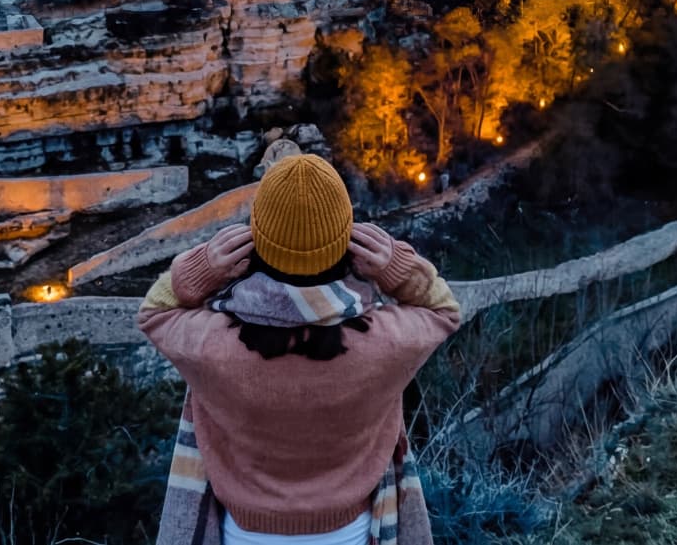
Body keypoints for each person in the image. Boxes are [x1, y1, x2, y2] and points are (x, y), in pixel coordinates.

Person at [138, 152, 463, 545]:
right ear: (347, 243)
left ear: (255, 240)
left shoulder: (214, 345)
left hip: (242, 535)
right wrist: (396, 265)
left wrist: (204, 268)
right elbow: (443, 309)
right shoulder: (383, 344)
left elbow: (155, 311)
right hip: (352, 533)